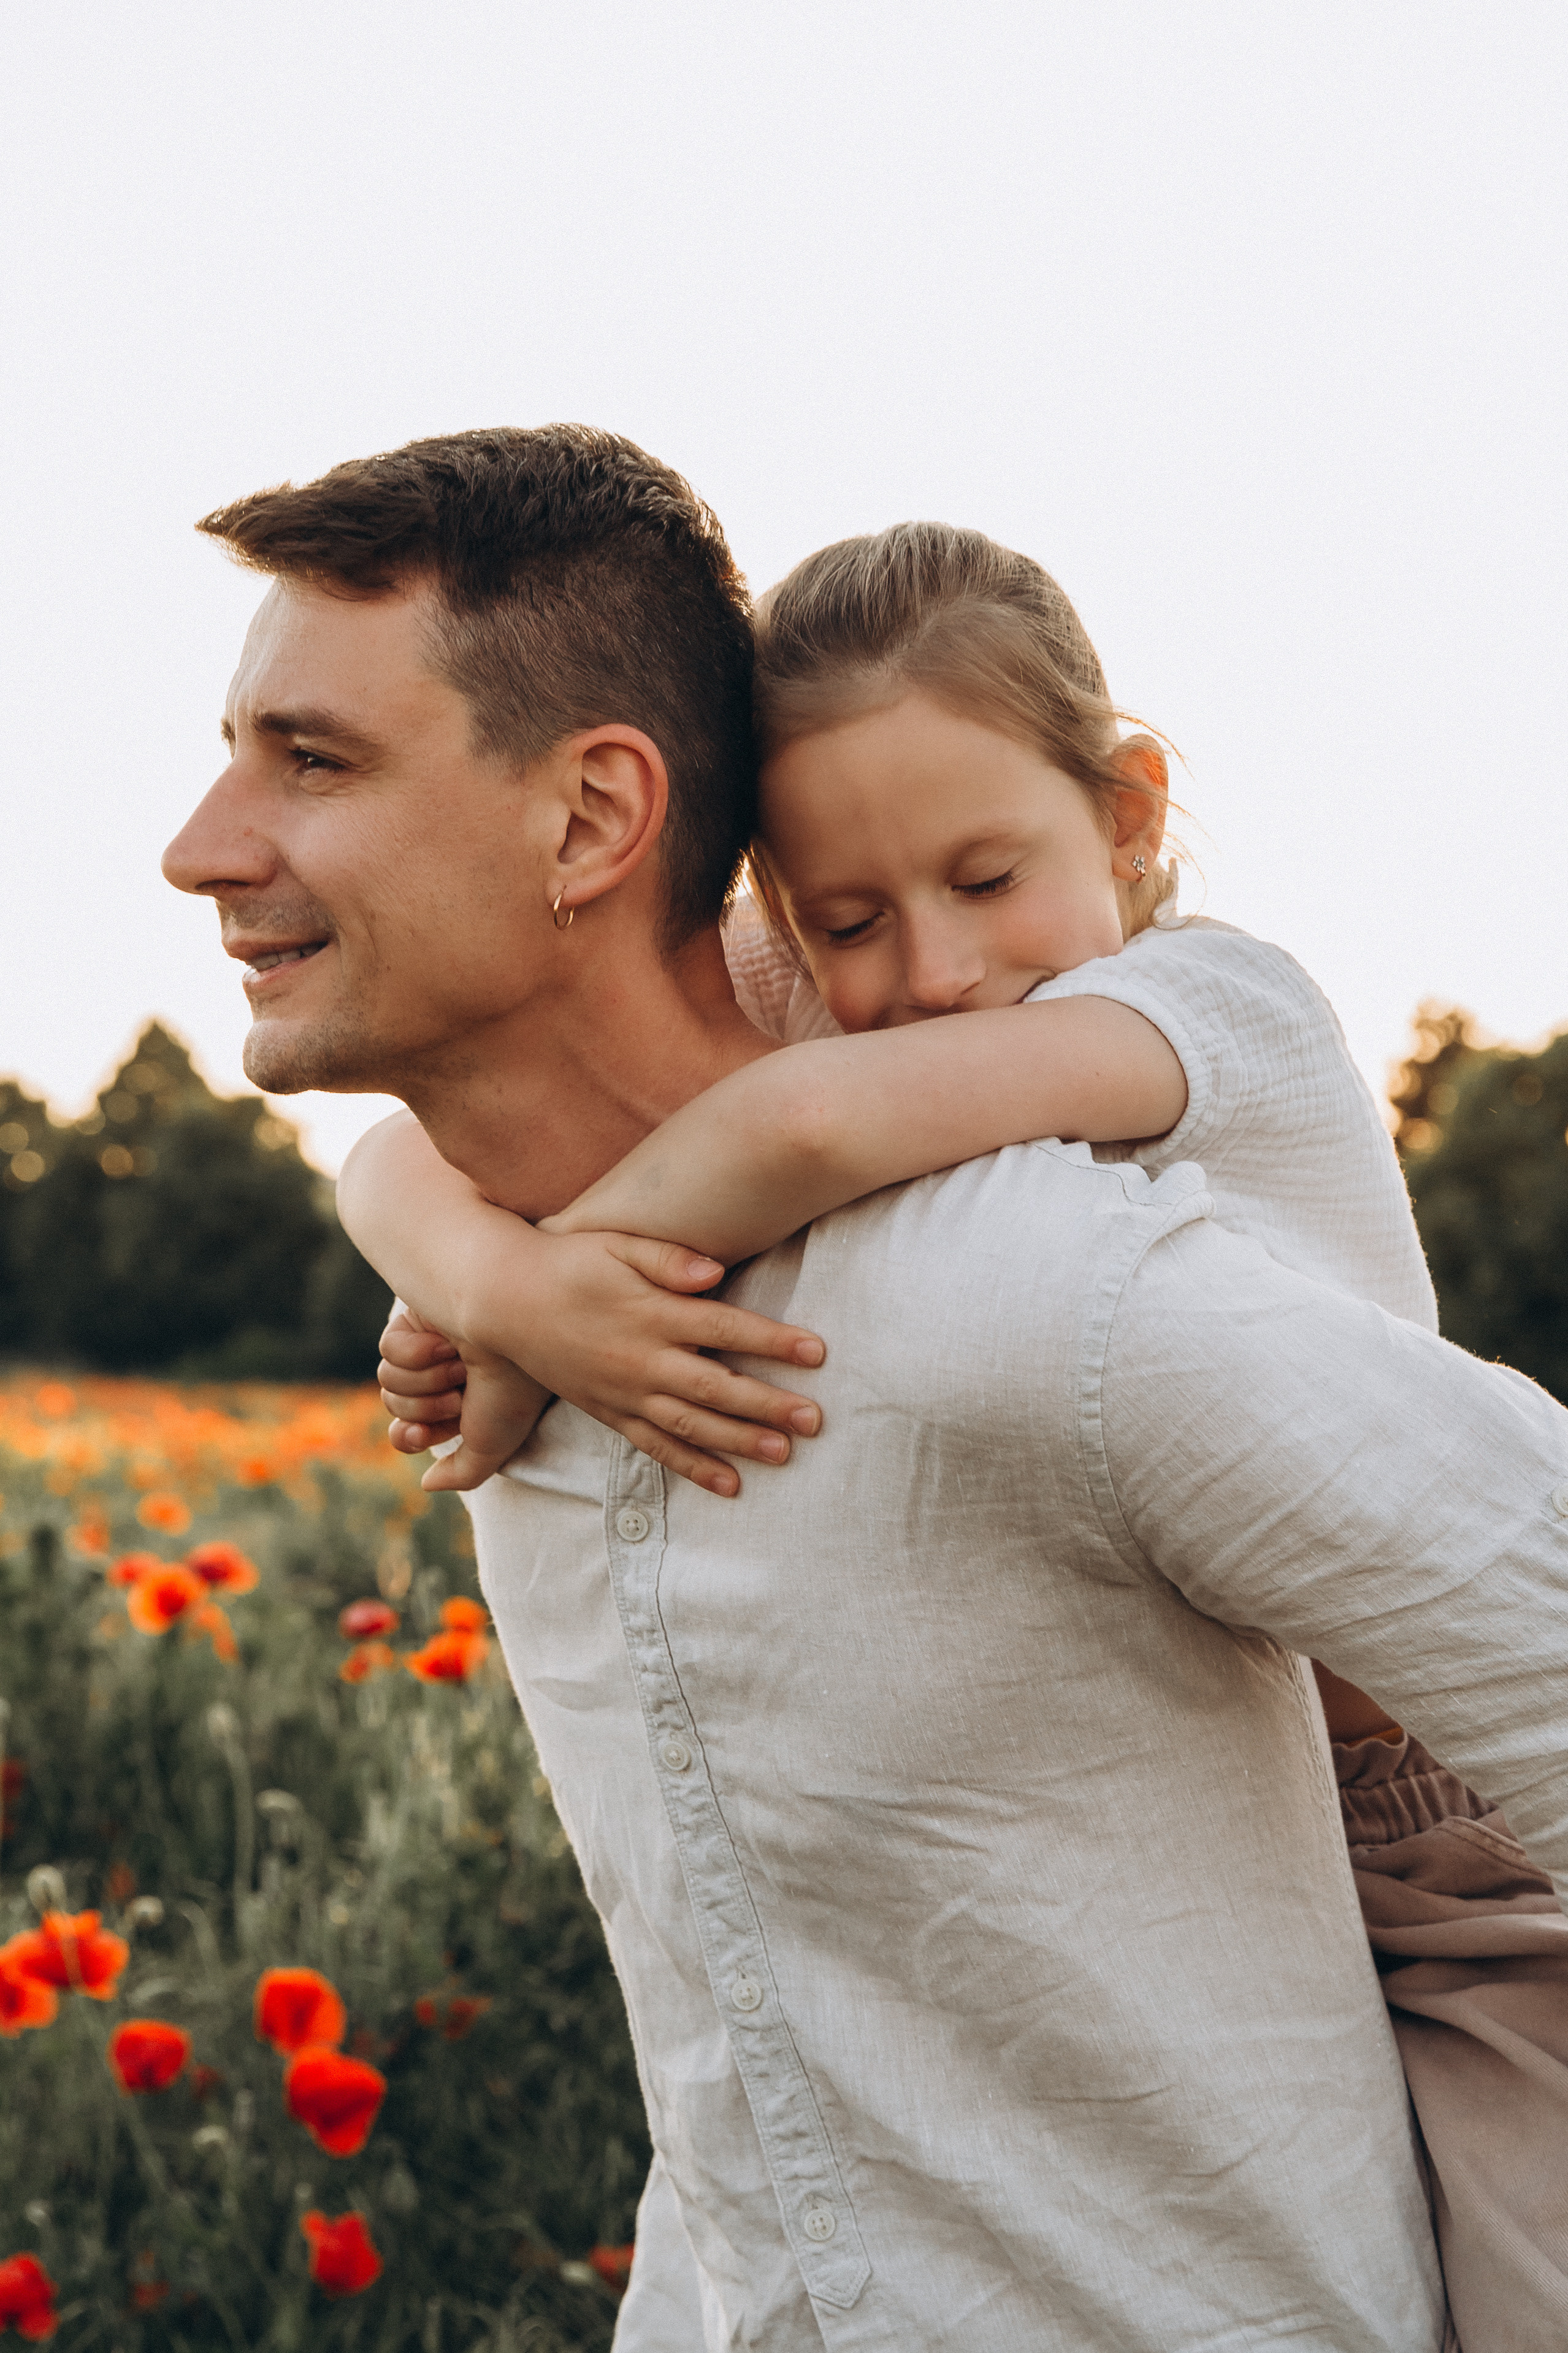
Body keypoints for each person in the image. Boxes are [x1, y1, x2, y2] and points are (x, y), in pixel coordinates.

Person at [163, 426, 1568, 2351]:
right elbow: (749, 2048)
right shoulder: (521, 1359)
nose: (200, 845)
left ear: (590, 820)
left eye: (308, 759)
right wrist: (506, 1277)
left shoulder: (1045, 1273)